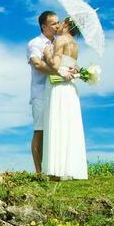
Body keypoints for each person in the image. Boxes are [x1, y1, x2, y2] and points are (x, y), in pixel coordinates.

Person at [41, 16, 88, 180]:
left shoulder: (60, 40)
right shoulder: (75, 45)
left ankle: (56, 170)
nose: (58, 25)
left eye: (61, 22)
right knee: (70, 124)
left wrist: (47, 54)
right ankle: (70, 169)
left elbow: (54, 65)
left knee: (57, 121)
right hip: (70, 87)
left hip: (58, 86)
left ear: (67, 25)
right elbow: (72, 66)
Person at [27, 11, 73, 174]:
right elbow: (37, 64)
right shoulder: (35, 43)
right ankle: (39, 171)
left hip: (54, 92)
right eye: (53, 23)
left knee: (54, 129)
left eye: (58, 22)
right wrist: (57, 72)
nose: (57, 25)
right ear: (44, 26)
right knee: (40, 131)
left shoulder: (58, 43)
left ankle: (51, 168)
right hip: (40, 93)